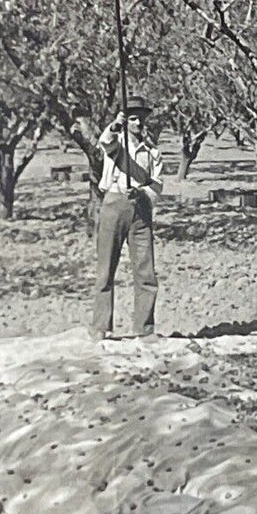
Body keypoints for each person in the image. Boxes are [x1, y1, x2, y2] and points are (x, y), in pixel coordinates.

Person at [91, 93, 162, 338]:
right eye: (133, 119)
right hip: (114, 204)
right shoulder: (117, 143)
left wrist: (142, 193)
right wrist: (115, 125)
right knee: (106, 269)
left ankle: (145, 329)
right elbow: (105, 141)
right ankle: (101, 327)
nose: (138, 124)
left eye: (141, 119)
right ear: (125, 121)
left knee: (146, 271)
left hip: (140, 209)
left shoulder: (152, 151)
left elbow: (157, 185)